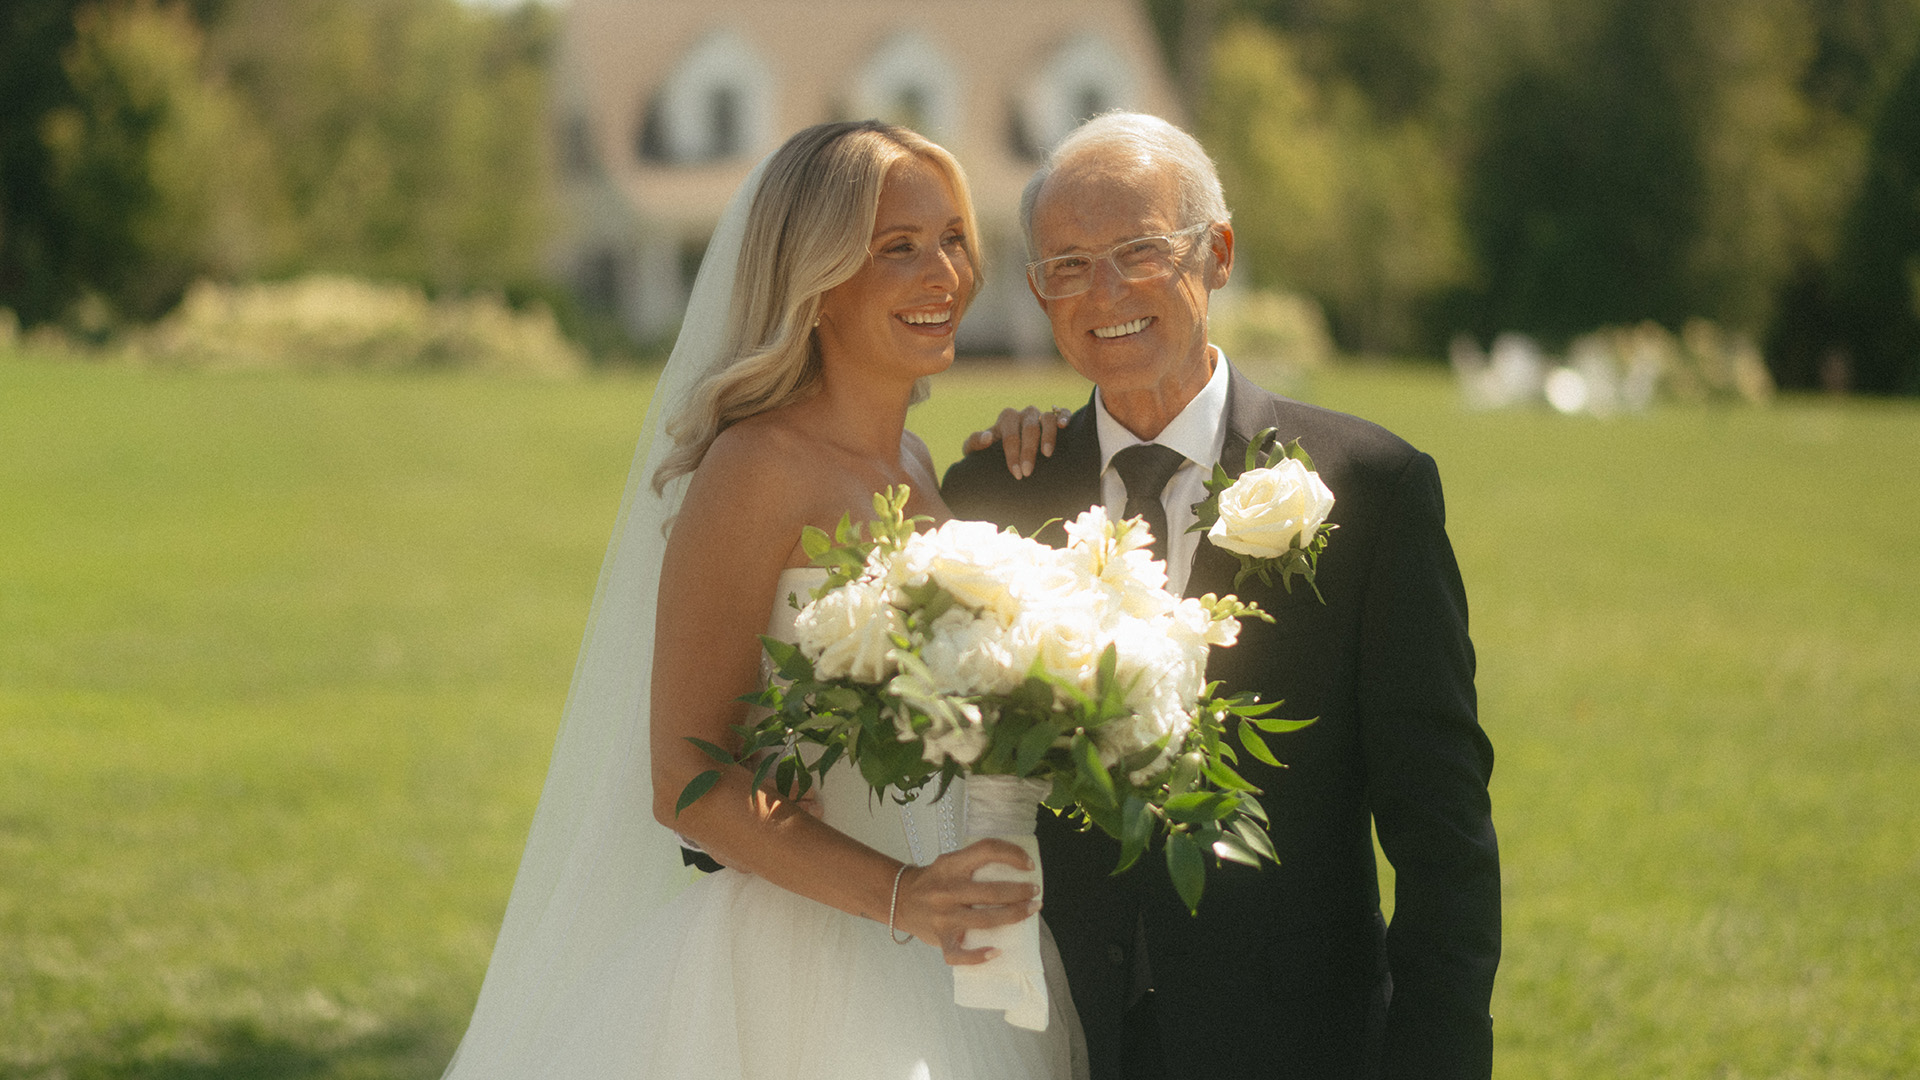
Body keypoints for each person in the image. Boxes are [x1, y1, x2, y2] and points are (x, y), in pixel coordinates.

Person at [442, 121, 1085, 1079]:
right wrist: (902, 896)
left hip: (972, 951)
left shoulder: (917, 462)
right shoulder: (756, 469)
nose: (944, 274)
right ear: (815, 280)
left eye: (953, 238)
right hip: (815, 963)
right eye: (897, 249)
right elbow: (686, 780)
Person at [941, 113, 1501, 1080]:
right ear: (1037, 293)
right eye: (1067, 266)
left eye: (1139, 251)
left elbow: (1444, 837)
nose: (1103, 292)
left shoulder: (1370, 489)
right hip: (1053, 1042)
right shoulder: (997, 501)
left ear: (1219, 254)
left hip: (1298, 1049)